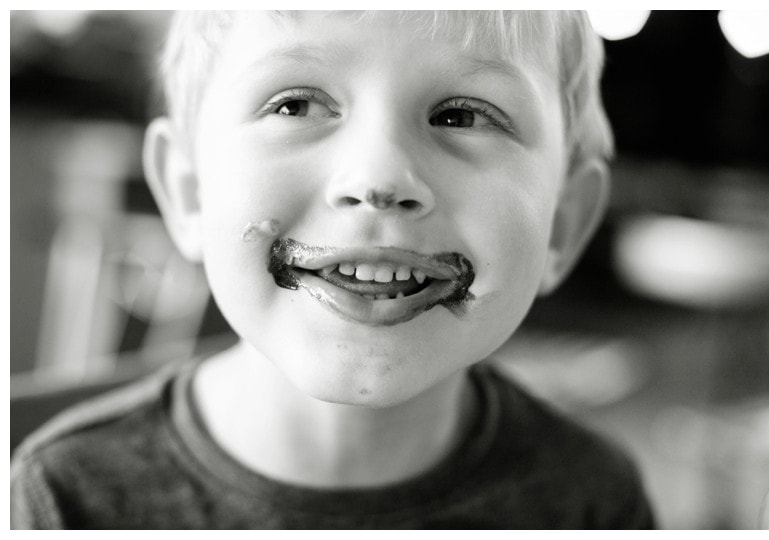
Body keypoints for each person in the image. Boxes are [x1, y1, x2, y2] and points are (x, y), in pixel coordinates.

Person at [11, 11, 655, 529]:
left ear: (563, 225)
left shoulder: (591, 503)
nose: (378, 179)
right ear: (189, 191)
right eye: (295, 105)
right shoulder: (65, 500)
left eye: (461, 115)